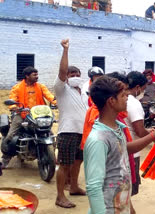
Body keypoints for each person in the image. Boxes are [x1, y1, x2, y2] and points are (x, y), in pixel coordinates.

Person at [84, 75, 155, 214]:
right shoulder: (98, 139)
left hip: (120, 205)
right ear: (111, 101)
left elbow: (124, 149)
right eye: (123, 95)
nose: (127, 97)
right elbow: (93, 187)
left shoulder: (117, 128)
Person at [1, 66, 56, 169]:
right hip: (22, 114)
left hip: (38, 115)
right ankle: (5, 158)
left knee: (50, 133)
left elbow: (50, 96)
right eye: (34, 75)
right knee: (11, 135)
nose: (37, 76)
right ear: (27, 76)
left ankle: (52, 157)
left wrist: (56, 102)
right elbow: (12, 99)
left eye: (37, 74)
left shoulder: (40, 87)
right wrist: (14, 107)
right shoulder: (17, 87)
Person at [54, 39, 87, 208]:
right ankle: (60, 196)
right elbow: (61, 70)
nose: (74, 77)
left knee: (77, 162)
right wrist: (66, 50)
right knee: (65, 165)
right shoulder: (62, 89)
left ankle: (74, 187)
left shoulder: (84, 92)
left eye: (77, 75)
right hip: (68, 131)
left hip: (83, 132)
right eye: (71, 75)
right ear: (66, 77)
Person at [125, 71, 149, 198]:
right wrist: (153, 136)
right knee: (127, 192)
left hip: (122, 150)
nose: (142, 92)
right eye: (143, 89)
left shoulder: (121, 99)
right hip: (131, 153)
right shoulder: (133, 103)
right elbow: (140, 131)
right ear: (138, 87)